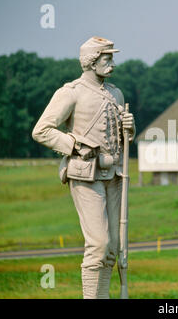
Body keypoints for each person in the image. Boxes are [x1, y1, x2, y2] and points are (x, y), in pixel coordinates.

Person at [32, 36, 135, 299]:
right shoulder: (71, 92)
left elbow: (120, 138)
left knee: (113, 246)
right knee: (98, 244)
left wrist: (129, 129)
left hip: (113, 174)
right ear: (91, 62)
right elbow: (41, 131)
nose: (111, 63)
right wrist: (74, 145)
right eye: (106, 58)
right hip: (85, 173)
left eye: (111, 58)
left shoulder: (116, 93)